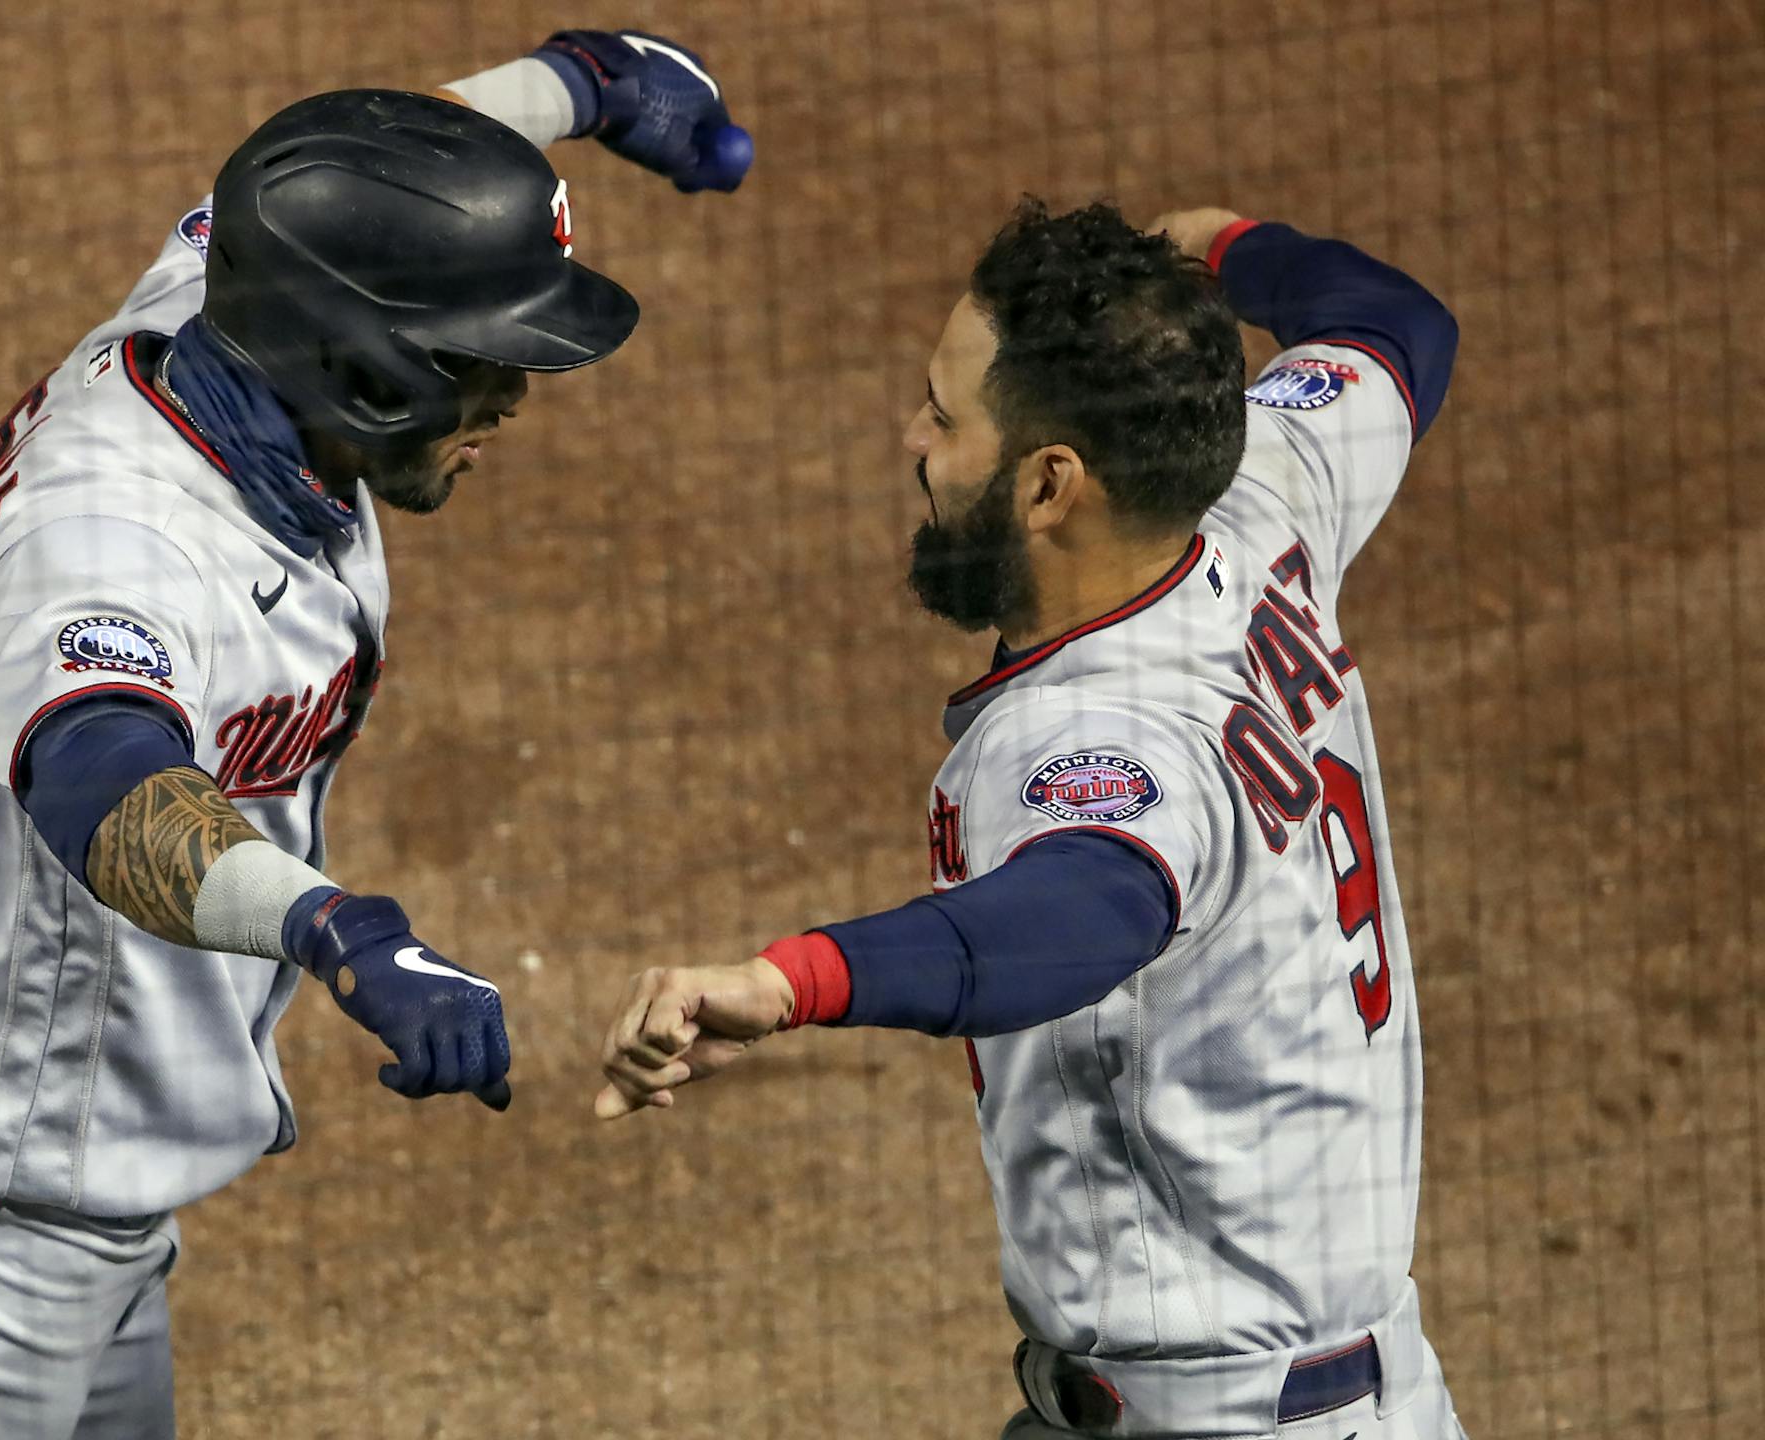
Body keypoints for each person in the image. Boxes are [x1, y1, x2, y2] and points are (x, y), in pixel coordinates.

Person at [0, 29, 749, 1439]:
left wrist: (585, 81)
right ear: (364, 363)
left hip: (76, 1200)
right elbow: (105, 780)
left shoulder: (240, 299)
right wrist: (336, 926)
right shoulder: (108, 545)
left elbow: (355, 162)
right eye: (481, 364)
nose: (513, 400)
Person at [592, 201, 1467, 1439]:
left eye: (946, 420)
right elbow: (1393, 323)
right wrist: (1226, 247)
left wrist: (790, 981)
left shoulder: (1103, 737)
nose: (914, 440)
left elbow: (1056, 920)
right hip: (1292, 1392)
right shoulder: (1261, 489)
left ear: (1049, 483)